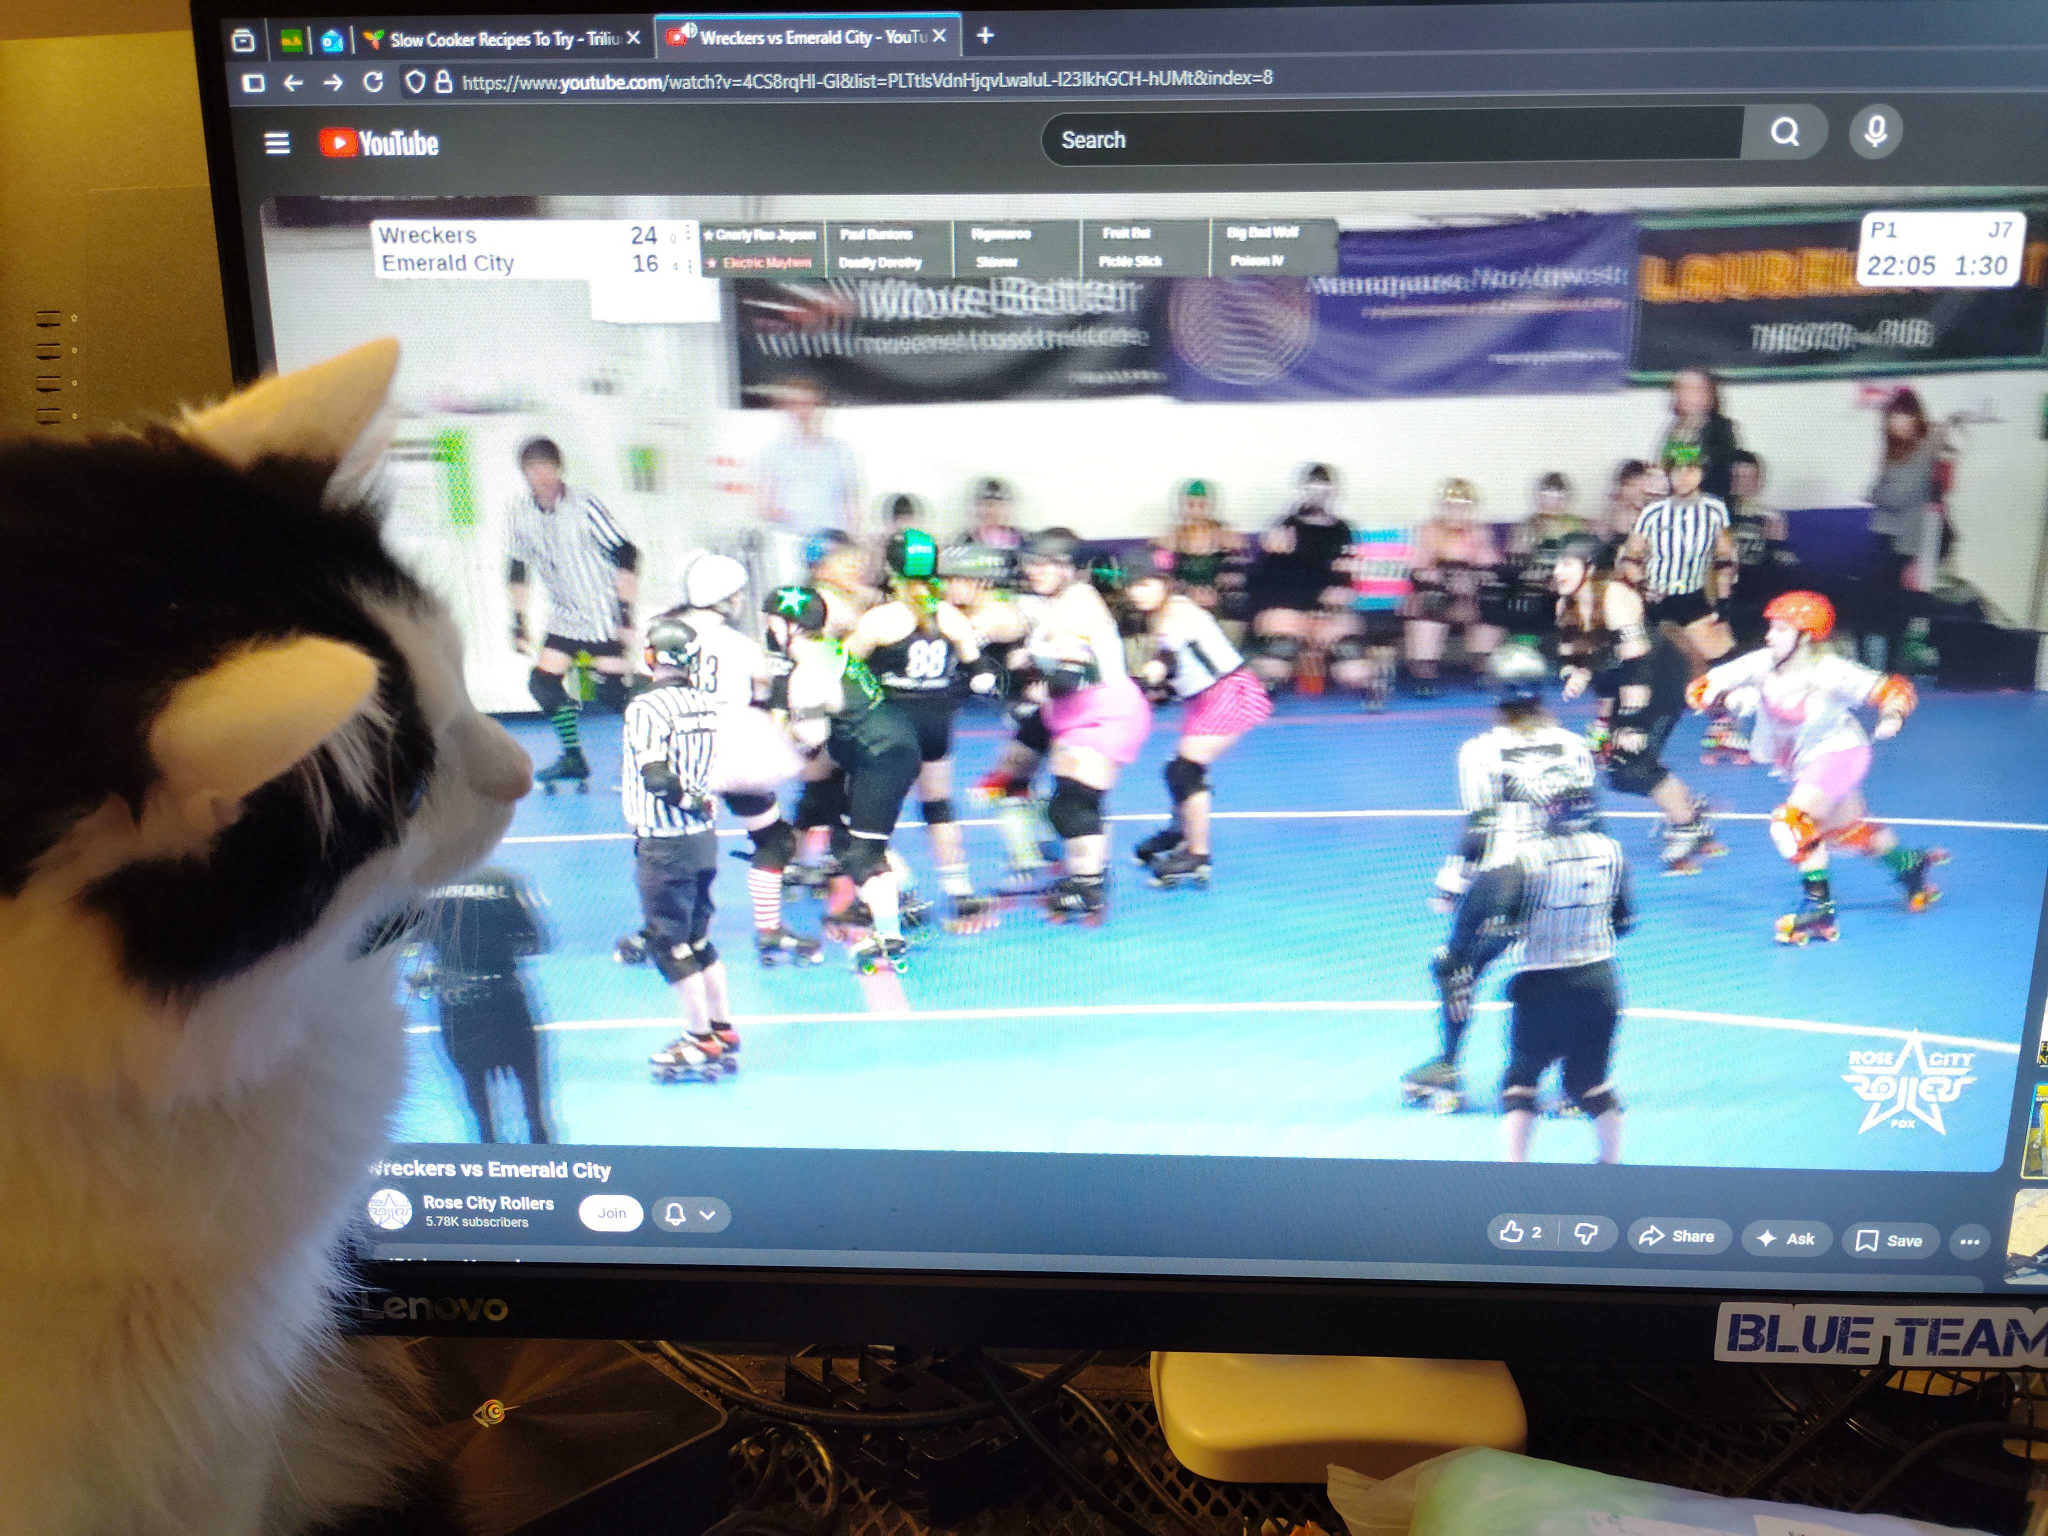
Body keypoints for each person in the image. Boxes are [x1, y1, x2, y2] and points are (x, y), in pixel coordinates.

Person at [1687, 590, 1945, 945]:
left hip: (1841, 753)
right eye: (1771, 627)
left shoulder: (1830, 671)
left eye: (1780, 629)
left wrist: (1892, 717)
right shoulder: (1763, 663)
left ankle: (1818, 908)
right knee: (1848, 832)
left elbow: (1893, 690)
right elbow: (1708, 683)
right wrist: (1716, 695)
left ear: (1806, 637)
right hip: (1806, 762)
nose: (1769, 636)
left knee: (1792, 822)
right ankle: (1910, 865)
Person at [1401, 645, 1596, 1114]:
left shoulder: (1481, 751)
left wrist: (1451, 884)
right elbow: (1588, 820)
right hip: (1571, 874)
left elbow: (1480, 828)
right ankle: (1577, 1083)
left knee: (1455, 965)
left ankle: (1448, 1070)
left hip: (1508, 878)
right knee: (1565, 971)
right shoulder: (1575, 746)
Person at [1439, 782, 1634, 1164]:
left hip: (1542, 984)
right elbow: (1625, 921)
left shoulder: (1528, 859)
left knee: (1521, 1082)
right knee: (1590, 1081)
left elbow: (1501, 924)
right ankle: (1611, 1164)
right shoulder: (1613, 853)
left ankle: (1516, 1170)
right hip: (1600, 981)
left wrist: (1470, 963)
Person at [976, 528, 1154, 925]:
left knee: (1073, 804)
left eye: (1046, 564)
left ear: (1067, 568)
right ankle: (1058, 862)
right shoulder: (1053, 601)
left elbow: (1066, 676)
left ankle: (1088, 885)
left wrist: (1028, 672)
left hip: (1102, 712)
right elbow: (1017, 626)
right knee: (1012, 775)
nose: (1035, 571)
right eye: (1032, 563)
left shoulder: (1079, 600)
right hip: (1069, 710)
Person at [847, 527, 1002, 932]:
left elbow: (843, 667)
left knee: (869, 815)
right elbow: (979, 670)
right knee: (938, 806)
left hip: (893, 726)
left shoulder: (881, 619)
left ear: (890, 571)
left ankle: (900, 889)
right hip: (936, 724)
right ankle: (960, 891)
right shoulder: (949, 616)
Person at [673, 553, 822, 966]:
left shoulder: (663, 633)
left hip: (681, 747)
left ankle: (672, 931)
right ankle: (769, 931)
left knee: (684, 848)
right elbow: (766, 694)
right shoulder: (740, 645)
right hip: (734, 746)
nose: (740, 601)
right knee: (772, 840)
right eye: (736, 594)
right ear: (724, 597)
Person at [769, 584, 925, 972]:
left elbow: (812, 738)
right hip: (887, 745)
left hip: (879, 755)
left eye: (772, 621)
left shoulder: (806, 673)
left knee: (861, 853)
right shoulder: (831, 648)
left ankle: (890, 934)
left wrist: (781, 730)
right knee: (849, 838)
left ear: (787, 626)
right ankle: (898, 904)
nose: (769, 629)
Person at [1552, 533, 1717, 873]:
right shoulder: (1565, 605)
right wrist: (1578, 675)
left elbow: (1639, 667)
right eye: (1557, 564)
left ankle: (1688, 826)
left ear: (1590, 568)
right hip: (1624, 680)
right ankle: (1687, 806)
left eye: (1567, 564)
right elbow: (1579, 656)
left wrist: (1630, 724)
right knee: (1619, 771)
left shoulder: (1616, 598)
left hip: (1662, 677)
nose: (1558, 571)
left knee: (1634, 762)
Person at [625, 615, 743, 1084]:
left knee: (669, 944)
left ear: (651, 657)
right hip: (703, 841)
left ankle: (698, 1039)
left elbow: (657, 779)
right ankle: (722, 1028)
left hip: (665, 840)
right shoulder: (706, 703)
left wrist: (689, 801)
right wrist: (701, 804)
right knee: (698, 939)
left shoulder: (646, 708)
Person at [1122, 553, 1272, 887]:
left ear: (1164, 584)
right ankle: (1180, 832)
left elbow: (1167, 659)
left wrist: (1143, 682)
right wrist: (1161, 689)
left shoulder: (1178, 612)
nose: (1138, 593)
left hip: (1228, 694)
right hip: (1205, 697)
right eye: (1133, 586)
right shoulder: (1161, 614)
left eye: (1145, 584)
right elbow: (1184, 666)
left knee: (1185, 770)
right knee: (1177, 769)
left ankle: (1197, 854)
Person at [505, 436, 640, 791]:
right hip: (564, 615)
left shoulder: (584, 505)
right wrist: (518, 621)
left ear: (558, 468)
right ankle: (574, 757)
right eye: (534, 470)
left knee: (614, 694)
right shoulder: (520, 512)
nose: (542, 477)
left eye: (547, 468)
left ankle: (648, 753)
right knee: (543, 684)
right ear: (525, 474)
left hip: (601, 613)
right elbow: (518, 566)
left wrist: (626, 615)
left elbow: (626, 552)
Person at [405, 866, 553, 1143]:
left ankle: (487, 1146)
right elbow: (532, 941)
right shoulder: (501, 881)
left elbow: (409, 941)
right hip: (505, 999)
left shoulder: (424, 882)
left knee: (478, 1107)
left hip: (458, 1004)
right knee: (535, 1113)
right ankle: (542, 1146)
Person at [1244, 463, 1358, 692]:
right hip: (1287, 611)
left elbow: (1344, 582)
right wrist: (1304, 613)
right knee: (1277, 664)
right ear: (1303, 490)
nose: (1319, 495)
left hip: (1325, 614)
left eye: (1324, 489)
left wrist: (1329, 607)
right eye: (1313, 488)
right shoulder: (1284, 528)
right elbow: (1268, 584)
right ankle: (1250, 671)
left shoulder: (1342, 530)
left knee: (1354, 672)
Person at [1864, 387, 1951, 669]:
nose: (1898, 422)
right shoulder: (1892, 451)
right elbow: (1875, 490)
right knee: (1877, 616)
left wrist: (1879, 493)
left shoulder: (1925, 450)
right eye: (1893, 416)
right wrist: (1880, 492)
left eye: (1905, 415)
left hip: (1906, 546)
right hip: (1883, 540)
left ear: (1916, 417)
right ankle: (1879, 675)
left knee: (1894, 620)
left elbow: (1893, 495)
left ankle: (1890, 678)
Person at [1404, 477, 1505, 695]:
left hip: (1469, 597)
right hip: (1436, 593)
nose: (1457, 511)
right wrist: (1443, 580)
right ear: (1443, 506)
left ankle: (1483, 666)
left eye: (1463, 506)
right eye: (1452, 505)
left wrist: (1473, 581)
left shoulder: (1479, 531)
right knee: (1428, 603)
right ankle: (1424, 672)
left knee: (1493, 603)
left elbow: (1492, 569)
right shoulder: (1430, 530)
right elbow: (1417, 570)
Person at [756, 374, 862, 538]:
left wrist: (851, 538)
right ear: (785, 409)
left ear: (820, 408)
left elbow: (851, 507)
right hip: (791, 542)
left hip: (832, 544)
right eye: (794, 404)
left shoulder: (840, 452)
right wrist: (795, 517)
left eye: (807, 404)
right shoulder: (774, 453)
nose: (801, 412)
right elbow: (764, 508)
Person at [1503, 472, 1587, 646]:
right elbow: (1514, 566)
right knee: (1526, 601)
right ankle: (1524, 647)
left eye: (1557, 498)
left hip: (1566, 586)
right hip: (1535, 586)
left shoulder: (1575, 526)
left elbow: (1583, 564)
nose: (1552, 503)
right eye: (1547, 497)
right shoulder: (1527, 526)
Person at [1339, 522, 1414, 711]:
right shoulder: (1351, 533)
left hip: (1393, 607)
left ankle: (1379, 684)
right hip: (1360, 607)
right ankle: (1375, 681)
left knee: (1382, 644)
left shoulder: (1406, 533)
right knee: (1368, 648)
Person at [1657, 367, 1742, 503]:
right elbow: (1665, 465)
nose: (1686, 395)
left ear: (1710, 394)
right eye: (1681, 389)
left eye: (1694, 389)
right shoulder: (1675, 428)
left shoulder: (1720, 429)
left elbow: (1710, 470)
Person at [1166, 478, 1243, 618]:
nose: (1196, 510)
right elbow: (1164, 579)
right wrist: (1186, 594)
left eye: (1201, 505)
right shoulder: (1172, 538)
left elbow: (1239, 577)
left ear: (1210, 506)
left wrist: (1216, 594)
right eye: (1190, 504)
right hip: (1181, 605)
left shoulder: (1227, 537)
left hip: (1218, 605)